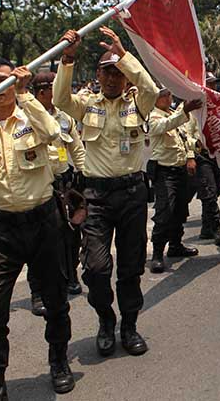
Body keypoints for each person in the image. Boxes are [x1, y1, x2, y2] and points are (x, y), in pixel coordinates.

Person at [0, 58, 74, 398]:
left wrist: (25, 95)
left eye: (3, 79)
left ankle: (59, 361)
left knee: (55, 299)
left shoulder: (29, 114)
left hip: (43, 221)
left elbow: (52, 132)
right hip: (1, 229)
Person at [53, 27, 158, 359]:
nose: (113, 78)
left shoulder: (138, 103)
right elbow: (59, 100)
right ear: (98, 75)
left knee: (131, 266)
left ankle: (128, 325)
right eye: (107, 72)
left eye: (118, 72)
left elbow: (151, 88)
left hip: (131, 194)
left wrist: (124, 55)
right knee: (96, 269)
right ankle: (105, 318)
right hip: (96, 197)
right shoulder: (86, 105)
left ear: (125, 76)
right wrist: (67, 59)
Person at [25, 71, 88, 317]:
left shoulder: (64, 117)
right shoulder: (24, 118)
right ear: (42, 91)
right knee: (39, 241)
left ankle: (71, 276)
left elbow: (76, 146)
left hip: (64, 182)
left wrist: (84, 171)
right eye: (55, 87)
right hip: (39, 185)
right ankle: (37, 292)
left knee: (72, 234)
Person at [147, 89, 202, 273]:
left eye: (169, 94)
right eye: (162, 95)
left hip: (180, 170)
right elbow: (163, 126)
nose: (167, 98)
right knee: (165, 211)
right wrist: (184, 111)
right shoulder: (153, 116)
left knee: (180, 210)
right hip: (164, 171)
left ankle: (176, 245)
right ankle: (157, 254)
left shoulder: (174, 114)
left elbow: (184, 139)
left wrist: (194, 150)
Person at [183, 88, 220, 246]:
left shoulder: (214, 110)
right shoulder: (194, 111)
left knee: (215, 190)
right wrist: (190, 155)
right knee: (209, 191)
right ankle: (216, 228)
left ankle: (206, 228)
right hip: (200, 155)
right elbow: (186, 135)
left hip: (214, 155)